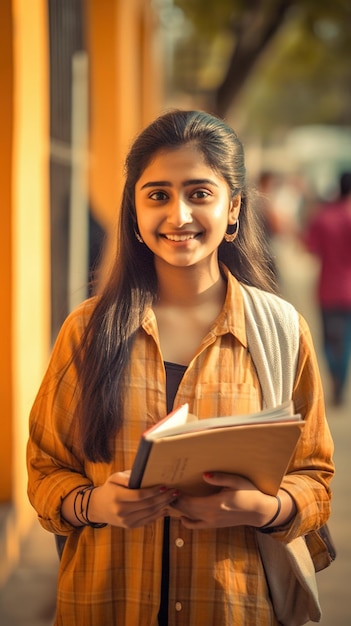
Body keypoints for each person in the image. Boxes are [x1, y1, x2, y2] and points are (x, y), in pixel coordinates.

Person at [27, 110, 334, 626]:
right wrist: (95, 505)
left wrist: (266, 510)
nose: (179, 215)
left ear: (233, 207)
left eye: (199, 193)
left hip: (235, 607)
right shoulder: (86, 331)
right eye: (158, 195)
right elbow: (44, 471)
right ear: (134, 210)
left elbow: (315, 479)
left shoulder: (281, 330)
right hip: (105, 604)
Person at [304, 172, 351, 406]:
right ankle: (340, 383)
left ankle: (334, 377)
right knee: (346, 341)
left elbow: (310, 247)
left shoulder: (324, 217)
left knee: (329, 341)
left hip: (328, 289)